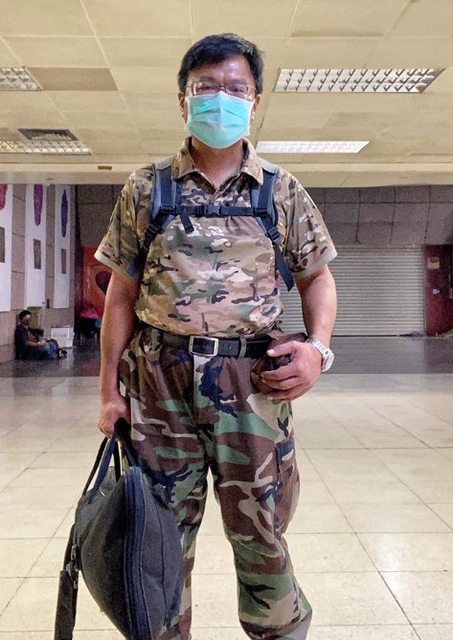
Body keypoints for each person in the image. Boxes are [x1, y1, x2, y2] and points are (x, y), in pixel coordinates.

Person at [96, 33, 337, 640]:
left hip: (251, 385)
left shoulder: (281, 190)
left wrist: (318, 349)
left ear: (254, 100)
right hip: (159, 384)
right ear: (183, 100)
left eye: (236, 88)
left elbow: (318, 279)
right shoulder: (147, 188)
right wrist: (108, 392)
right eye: (206, 87)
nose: (220, 99)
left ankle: (278, 633)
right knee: (157, 533)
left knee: (261, 530)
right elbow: (120, 296)